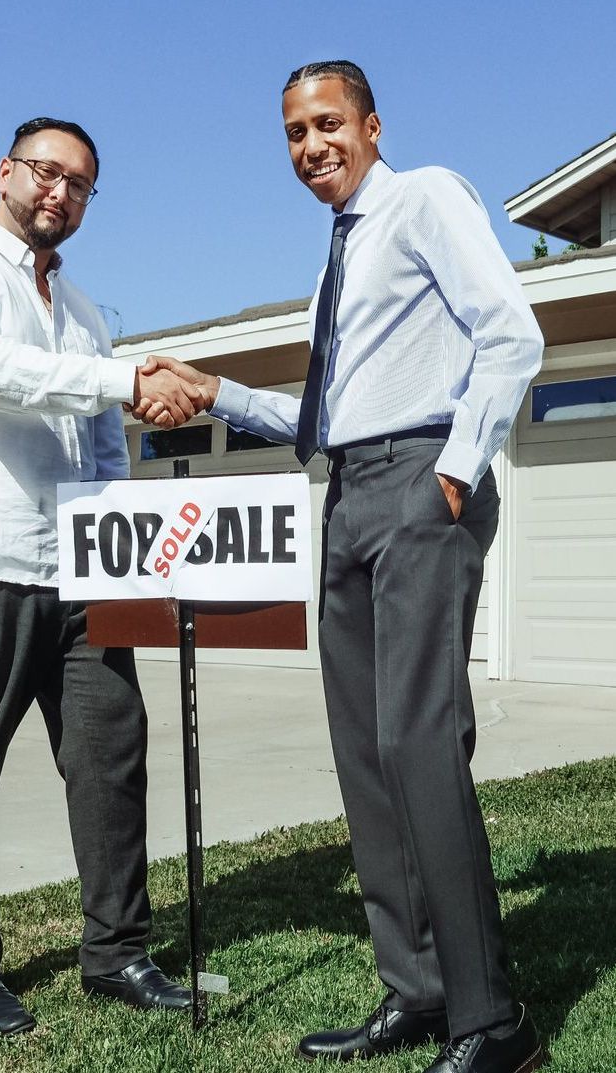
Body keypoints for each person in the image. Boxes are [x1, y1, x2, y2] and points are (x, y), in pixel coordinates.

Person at [133, 63, 545, 1073]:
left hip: (418, 480)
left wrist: (451, 476)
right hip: (351, 490)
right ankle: (416, 988)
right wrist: (217, 390)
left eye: (327, 124)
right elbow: (324, 420)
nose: (310, 145)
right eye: (292, 132)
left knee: (416, 740)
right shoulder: (337, 259)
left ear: (369, 124)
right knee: (365, 755)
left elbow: (512, 336)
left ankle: (494, 1021)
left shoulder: (422, 198)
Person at [0, 116, 201, 1036]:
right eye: (44, 172)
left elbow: (103, 448)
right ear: (6, 173)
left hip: (81, 570)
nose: (58, 192)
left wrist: (127, 551)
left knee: (111, 759)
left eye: (78, 184)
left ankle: (116, 952)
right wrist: (118, 377)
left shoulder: (85, 312)